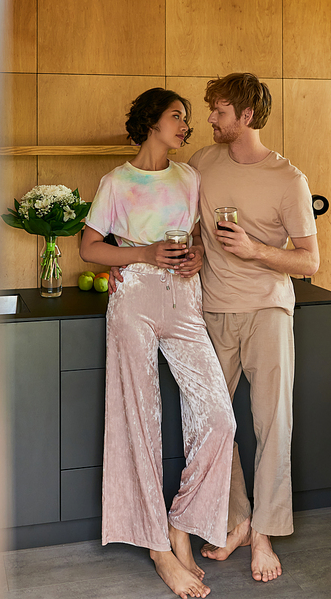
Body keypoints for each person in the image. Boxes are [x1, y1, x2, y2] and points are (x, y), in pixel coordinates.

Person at [80, 88, 235, 599]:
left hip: (184, 299)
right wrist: (142, 252)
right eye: (177, 117)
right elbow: (88, 248)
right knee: (139, 421)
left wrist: (193, 258)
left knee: (219, 417)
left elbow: (191, 237)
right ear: (152, 122)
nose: (186, 125)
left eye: (187, 119)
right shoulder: (116, 182)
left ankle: (180, 524)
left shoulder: (188, 176)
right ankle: (158, 548)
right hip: (133, 302)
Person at [188, 73, 319, 583]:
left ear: (245, 117)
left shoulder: (290, 180)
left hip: (267, 312)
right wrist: (195, 250)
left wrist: (256, 250)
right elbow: (197, 228)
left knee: (272, 424)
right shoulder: (203, 161)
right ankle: (237, 518)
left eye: (219, 112)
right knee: (213, 425)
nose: (211, 120)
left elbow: (310, 262)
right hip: (212, 310)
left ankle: (263, 534)